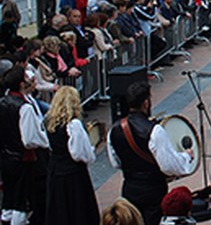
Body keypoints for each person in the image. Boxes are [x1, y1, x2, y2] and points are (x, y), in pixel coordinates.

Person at [107, 82, 195, 225]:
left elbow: (115, 162)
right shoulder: (154, 131)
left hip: (129, 188)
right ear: (146, 103)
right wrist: (186, 156)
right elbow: (169, 166)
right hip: (153, 192)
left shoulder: (114, 129)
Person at [0, 66, 50, 225]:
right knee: (23, 202)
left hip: (7, 157)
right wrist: (46, 142)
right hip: (23, 159)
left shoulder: (3, 102)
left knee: (11, 198)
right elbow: (30, 139)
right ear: (21, 84)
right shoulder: (24, 108)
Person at [44, 86, 100, 225]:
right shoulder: (73, 125)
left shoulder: (49, 123)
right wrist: (90, 151)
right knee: (78, 212)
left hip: (56, 171)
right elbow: (79, 153)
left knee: (61, 212)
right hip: (73, 175)